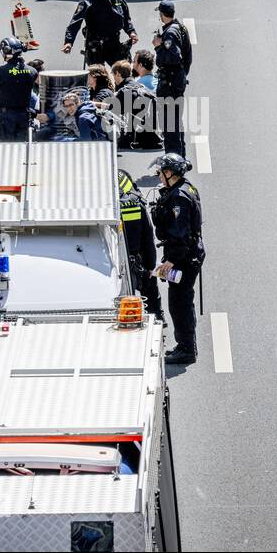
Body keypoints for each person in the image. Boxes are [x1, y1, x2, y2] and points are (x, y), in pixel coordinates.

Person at [150, 153, 203, 365]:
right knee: (182, 302)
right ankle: (187, 346)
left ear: (170, 173)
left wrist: (170, 261)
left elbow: (182, 233)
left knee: (179, 305)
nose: (158, 175)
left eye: (161, 172)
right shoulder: (184, 188)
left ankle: (187, 349)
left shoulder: (179, 198)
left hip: (184, 259)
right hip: (187, 255)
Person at [62, 0, 137, 67]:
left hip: (113, 43)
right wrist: (69, 42)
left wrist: (131, 32)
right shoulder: (86, 1)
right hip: (95, 45)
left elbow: (126, 18)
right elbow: (75, 22)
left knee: (122, 70)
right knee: (97, 76)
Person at [119, 169, 162, 321]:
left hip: (116, 260)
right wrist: (151, 265)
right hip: (138, 257)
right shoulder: (136, 201)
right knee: (149, 288)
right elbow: (148, 236)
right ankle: (156, 317)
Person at [152, 0, 191, 156]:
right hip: (177, 80)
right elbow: (187, 58)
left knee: (169, 123)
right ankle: (180, 157)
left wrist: (158, 46)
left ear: (162, 14)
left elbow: (174, 57)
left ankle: (172, 161)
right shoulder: (181, 27)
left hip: (170, 83)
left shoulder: (170, 33)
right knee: (175, 121)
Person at [0, 37, 38, 141]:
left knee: (6, 151)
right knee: (22, 150)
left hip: (5, 119)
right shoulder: (32, 71)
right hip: (24, 116)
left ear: (5, 51)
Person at [112, 60, 161, 149]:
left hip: (138, 139)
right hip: (152, 138)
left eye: (114, 75)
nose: (114, 79)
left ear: (118, 74)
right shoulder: (140, 86)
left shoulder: (124, 91)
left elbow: (110, 111)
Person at [36, 88, 106, 141]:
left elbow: (86, 143)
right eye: (66, 106)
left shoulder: (82, 119)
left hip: (99, 144)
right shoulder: (87, 105)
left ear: (78, 103)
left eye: (71, 105)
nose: (69, 108)